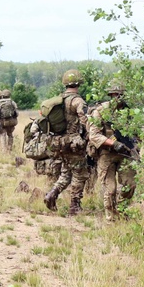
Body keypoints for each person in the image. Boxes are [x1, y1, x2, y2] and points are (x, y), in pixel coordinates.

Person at [86, 81, 138, 222]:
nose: (118, 97)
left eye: (120, 94)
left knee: (130, 185)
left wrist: (135, 146)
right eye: (115, 95)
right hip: (106, 154)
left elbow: (137, 134)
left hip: (125, 154)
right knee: (110, 189)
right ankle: (111, 218)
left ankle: (121, 210)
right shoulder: (101, 111)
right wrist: (113, 144)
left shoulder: (130, 112)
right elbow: (94, 135)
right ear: (110, 95)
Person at [43, 69, 89, 215]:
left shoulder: (59, 100)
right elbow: (85, 121)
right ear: (79, 83)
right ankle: (75, 206)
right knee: (79, 173)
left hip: (59, 142)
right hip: (74, 143)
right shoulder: (78, 101)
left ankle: (52, 194)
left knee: (66, 172)